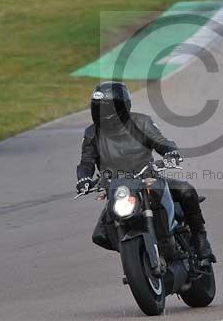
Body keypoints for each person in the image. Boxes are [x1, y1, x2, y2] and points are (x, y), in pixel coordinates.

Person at [76, 81, 213, 259]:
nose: (104, 113)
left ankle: (200, 237)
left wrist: (170, 153)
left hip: (147, 178)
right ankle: (138, 255)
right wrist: (83, 179)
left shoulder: (141, 122)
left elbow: (161, 142)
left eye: (108, 108)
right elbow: (86, 162)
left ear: (121, 107)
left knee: (186, 191)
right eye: (98, 108)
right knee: (100, 235)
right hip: (117, 187)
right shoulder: (91, 133)